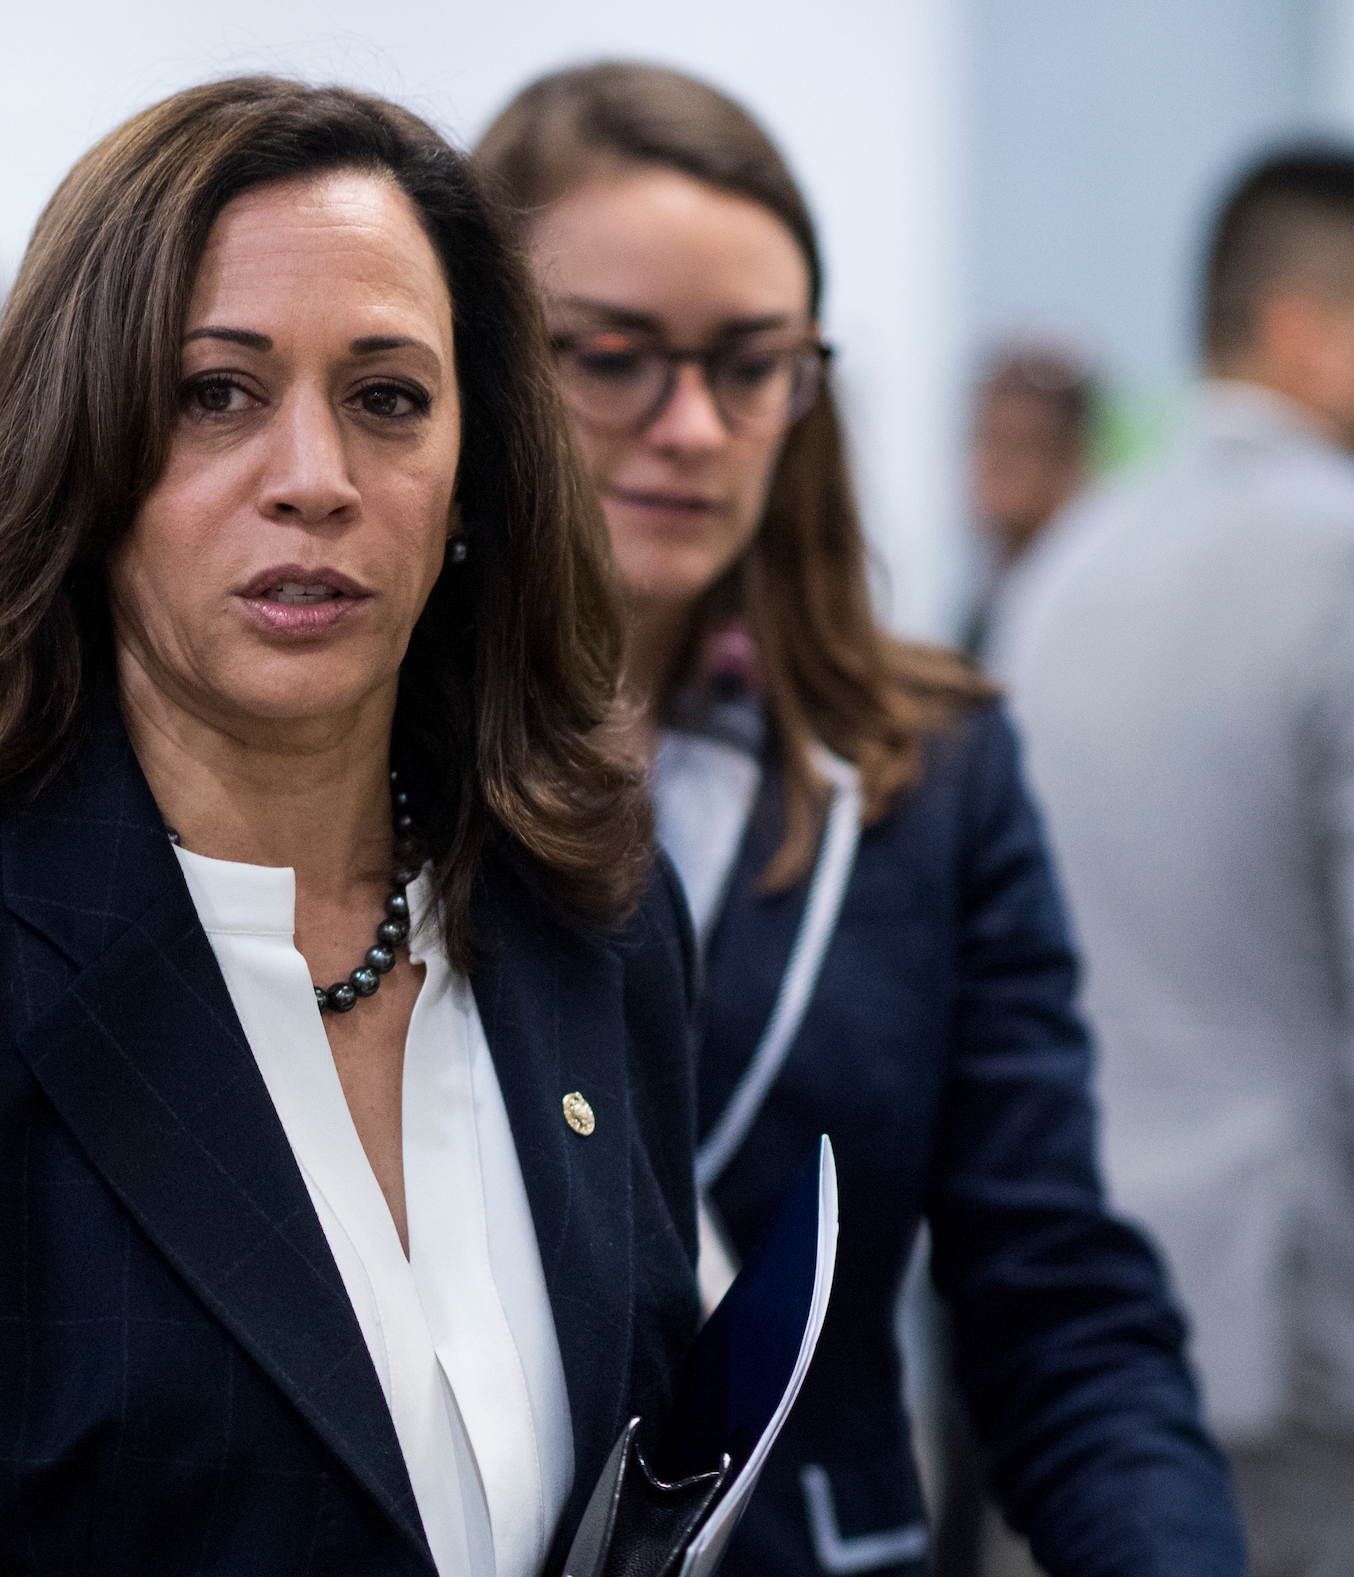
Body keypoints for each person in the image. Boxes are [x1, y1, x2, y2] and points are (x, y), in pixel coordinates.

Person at [0, 76, 702, 1577]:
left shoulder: (593, 921)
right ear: (85, 454)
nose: (312, 480)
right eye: (216, 394)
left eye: (387, 398)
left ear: (472, 484)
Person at [476, 62, 1239, 1577]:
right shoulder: (359, 749)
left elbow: (1051, 1287)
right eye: (612, 356)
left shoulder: (925, 771)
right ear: (477, 360)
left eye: (752, 363)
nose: (691, 423)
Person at [1001, 145, 1354, 1577]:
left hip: (1061, 1314)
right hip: (1293, 1330)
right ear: (1299, 329)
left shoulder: (1063, 563)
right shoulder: (1336, 551)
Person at [960, 345, 1095, 660]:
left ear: (1069, 461)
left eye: (1018, 446)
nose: (993, 466)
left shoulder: (1080, 593)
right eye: (985, 439)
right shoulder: (995, 581)